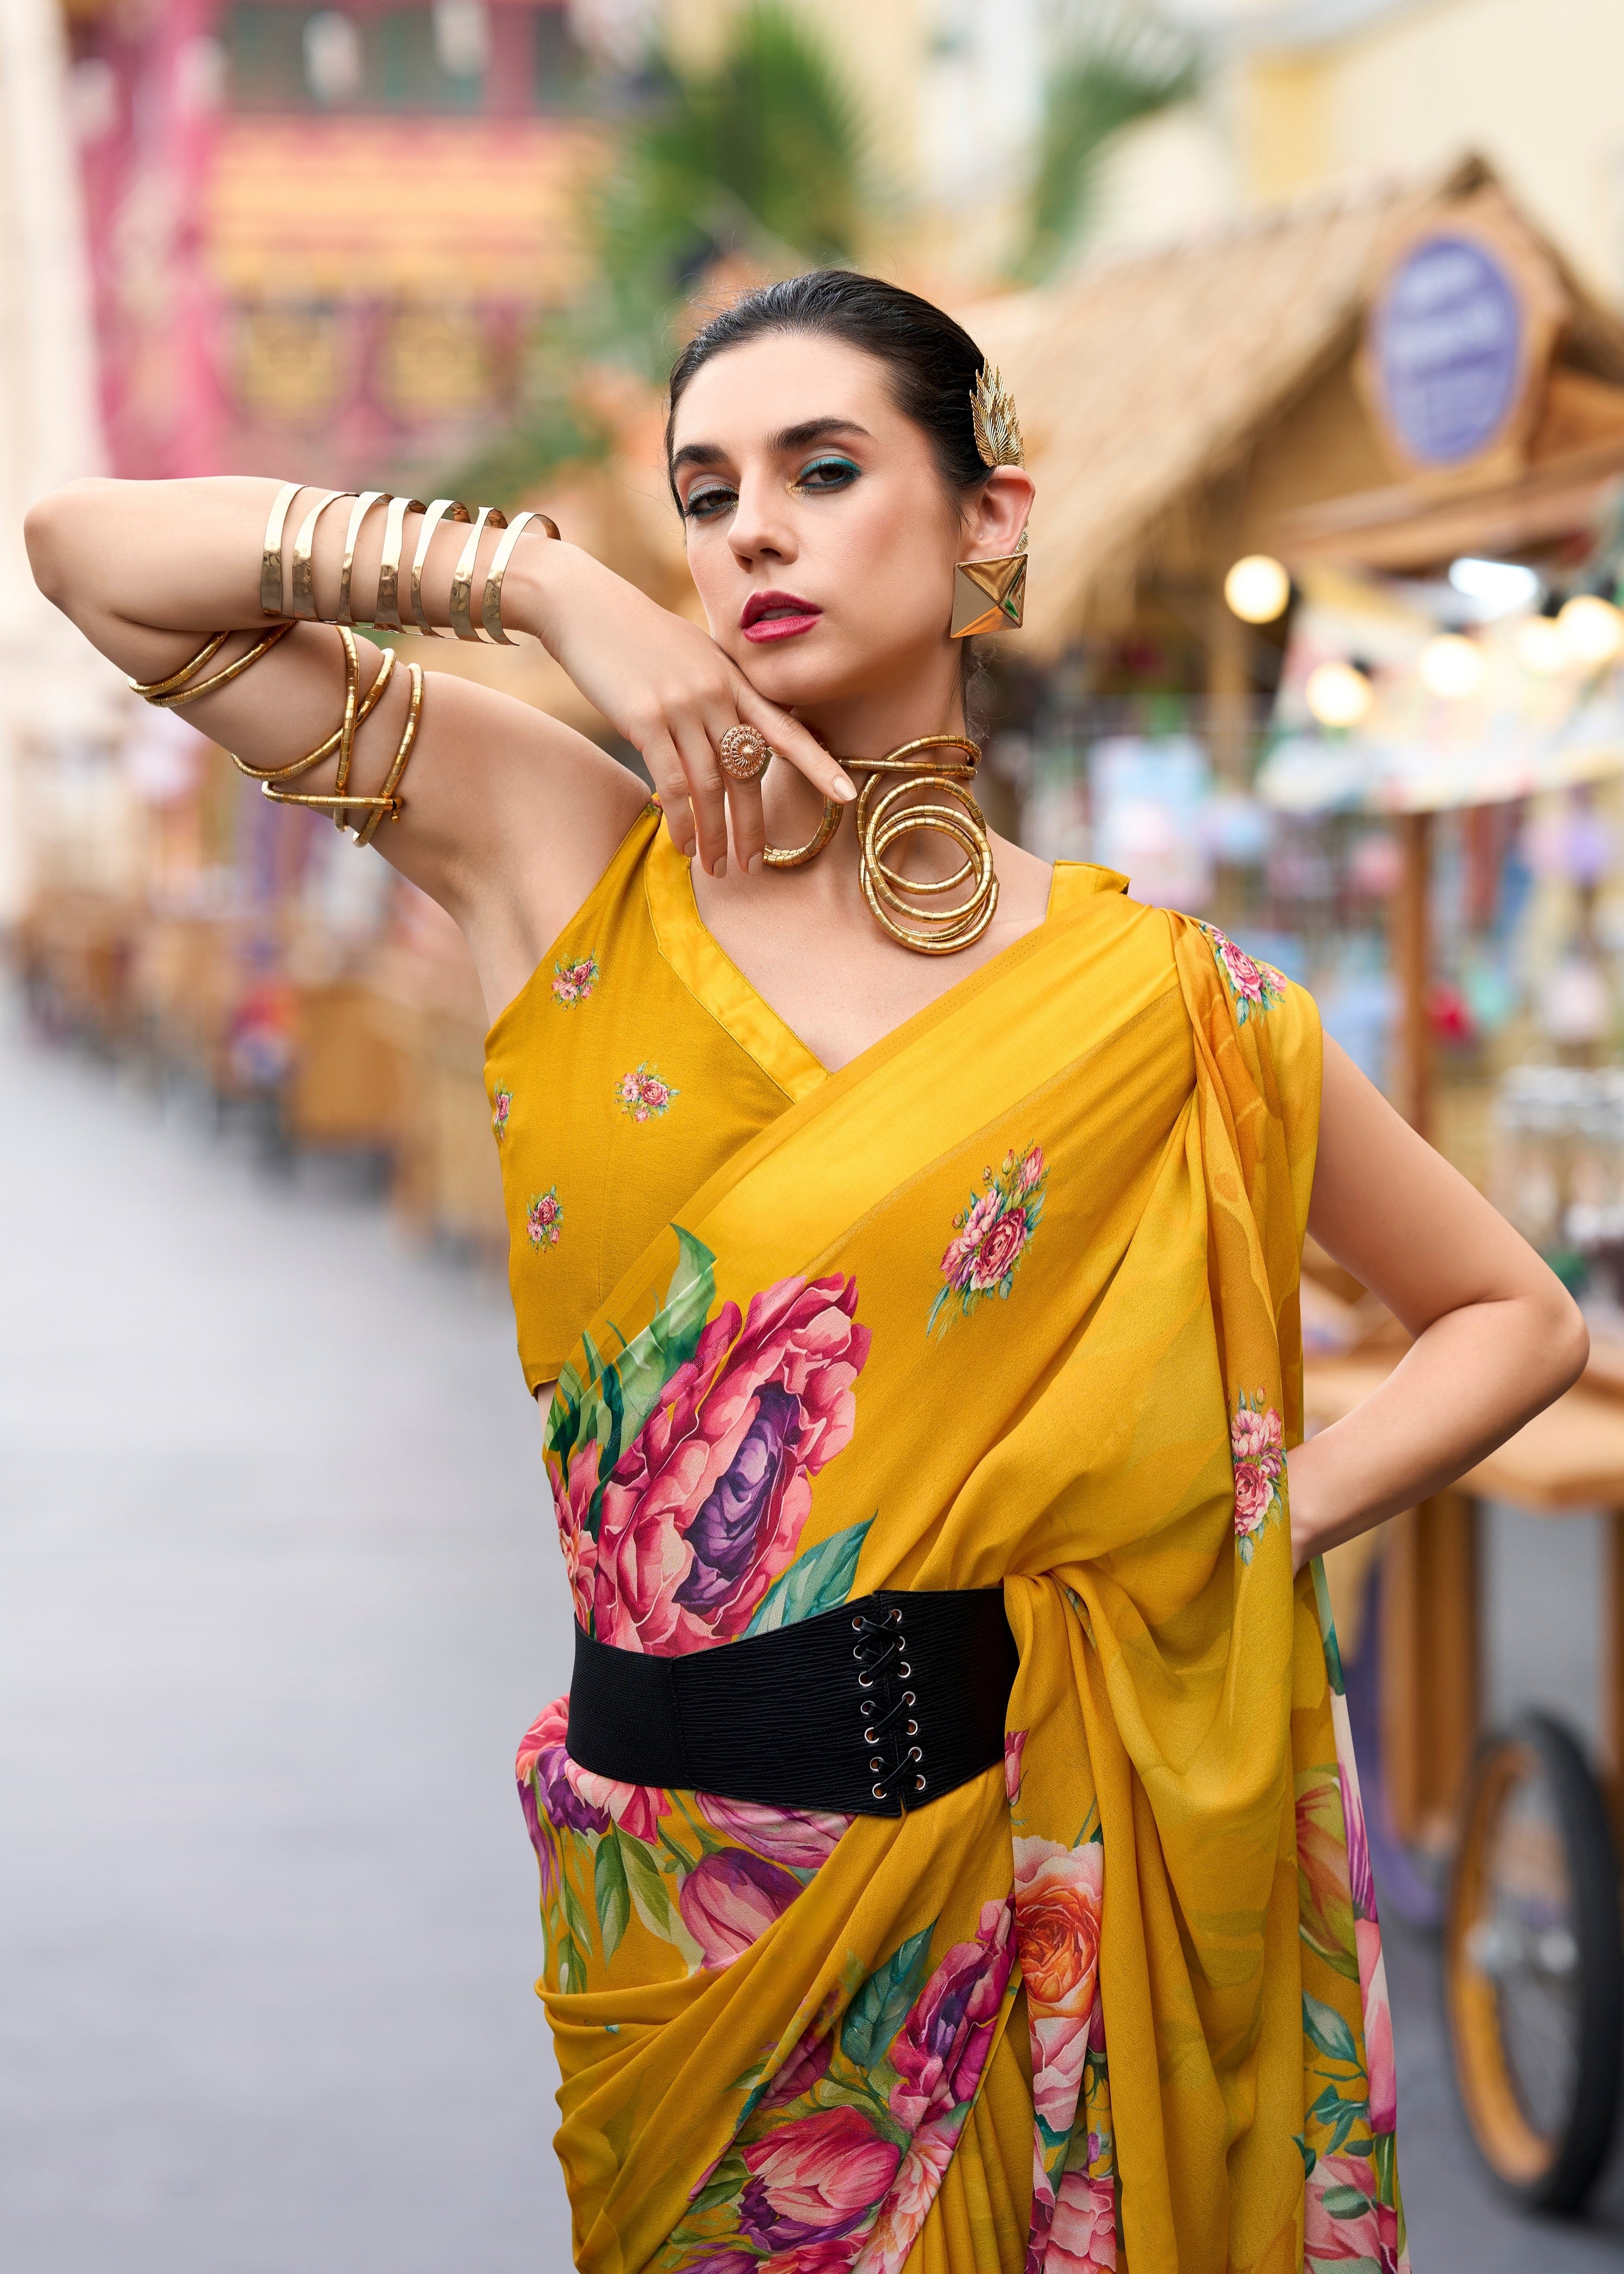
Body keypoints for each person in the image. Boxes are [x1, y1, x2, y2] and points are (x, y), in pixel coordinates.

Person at [26, 269, 1585, 2274]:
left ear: (987, 524)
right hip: (681, 1914)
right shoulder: (563, 856)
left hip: (1035, 1885)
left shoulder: (1166, 1004)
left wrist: (1234, 1530)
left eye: (824, 469)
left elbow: (1513, 1314)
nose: (748, 525)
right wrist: (548, 591)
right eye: (704, 491)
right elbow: (94, 557)